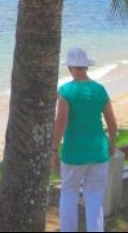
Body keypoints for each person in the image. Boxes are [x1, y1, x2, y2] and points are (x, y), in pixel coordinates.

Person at [52, 48, 118, 233]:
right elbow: (112, 121)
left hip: (74, 153)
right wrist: (112, 144)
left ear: (71, 67)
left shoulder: (66, 90)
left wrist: (54, 151)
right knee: (95, 198)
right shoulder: (99, 89)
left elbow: (60, 123)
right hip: (99, 151)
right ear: (86, 66)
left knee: (69, 194)